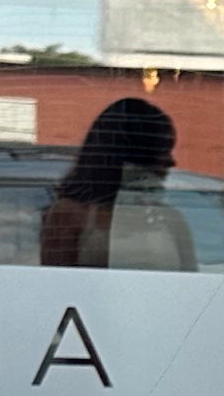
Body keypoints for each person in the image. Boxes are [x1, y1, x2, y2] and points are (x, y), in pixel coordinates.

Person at [36, 92, 198, 270]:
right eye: (162, 151)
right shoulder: (70, 214)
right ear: (134, 159)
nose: (171, 162)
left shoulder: (170, 219)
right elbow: (57, 285)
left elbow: (192, 283)